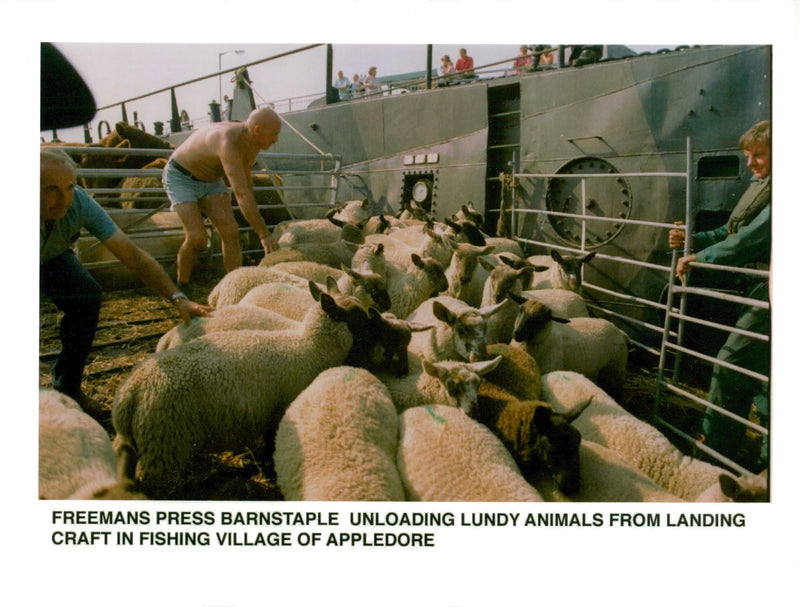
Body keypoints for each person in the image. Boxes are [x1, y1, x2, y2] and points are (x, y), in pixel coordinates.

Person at [40, 147, 212, 417]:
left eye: (70, 187)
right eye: (51, 189)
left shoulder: (79, 203)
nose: (63, 199)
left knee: (86, 297)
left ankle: (68, 388)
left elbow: (133, 256)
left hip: (52, 255)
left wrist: (177, 297)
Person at [669, 120, 771, 469]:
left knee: (731, 366)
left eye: (758, 155)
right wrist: (692, 239)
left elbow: (751, 241)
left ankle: (715, 452)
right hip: (758, 288)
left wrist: (699, 258)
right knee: (765, 378)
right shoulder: (763, 186)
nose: (751, 163)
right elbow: (732, 232)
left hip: (772, 293)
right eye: (747, 156)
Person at [163, 107, 282, 292]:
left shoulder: (253, 142)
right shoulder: (228, 141)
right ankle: (181, 287)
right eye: (274, 134)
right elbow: (240, 193)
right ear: (257, 129)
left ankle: (233, 288)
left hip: (210, 179)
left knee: (231, 232)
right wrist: (263, 233)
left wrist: (254, 214)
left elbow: (246, 180)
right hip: (181, 177)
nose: (276, 140)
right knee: (197, 237)